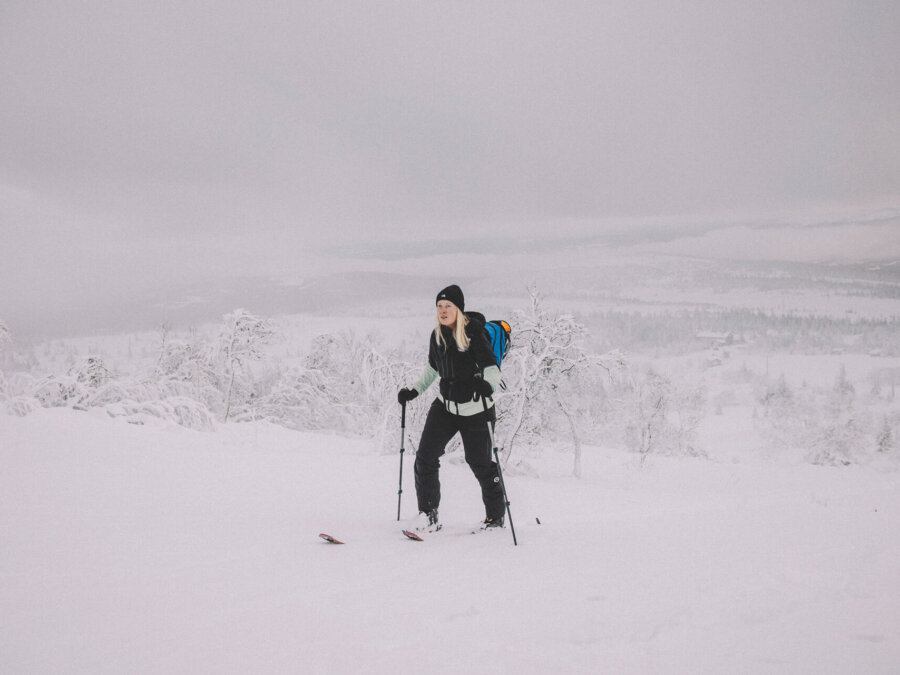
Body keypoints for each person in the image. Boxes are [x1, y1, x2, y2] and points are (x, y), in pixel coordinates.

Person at [397, 284, 505, 533]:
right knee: (425, 457)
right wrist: (414, 391)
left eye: (448, 306)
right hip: (445, 407)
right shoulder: (437, 335)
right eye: (439, 306)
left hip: (476, 409)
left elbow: (491, 367)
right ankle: (428, 515)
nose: (443, 311)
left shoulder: (473, 333)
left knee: (480, 463)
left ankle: (495, 518)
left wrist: (488, 385)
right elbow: (432, 368)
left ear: (459, 309)